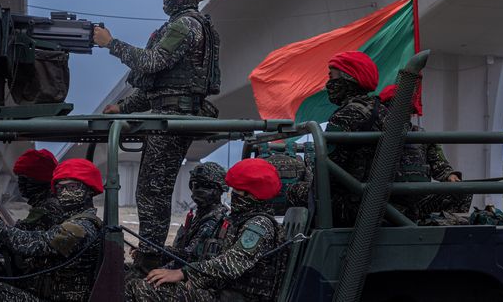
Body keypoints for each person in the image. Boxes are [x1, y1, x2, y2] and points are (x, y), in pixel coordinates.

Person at [93, 0, 221, 272]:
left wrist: (111, 43)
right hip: (169, 111)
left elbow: (152, 62)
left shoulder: (184, 25)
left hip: (173, 117)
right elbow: (161, 84)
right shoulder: (186, 24)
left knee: (152, 192)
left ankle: (149, 259)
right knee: (152, 190)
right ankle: (150, 255)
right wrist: (122, 108)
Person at [125, 158, 284, 302]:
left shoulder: (259, 225)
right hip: (219, 290)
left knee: (140, 289)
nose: (233, 195)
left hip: (234, 296)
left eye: (238, 191)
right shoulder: (238, 221)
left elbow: (232, 262)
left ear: (253, 195)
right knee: (136, 283)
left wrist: (184, 274)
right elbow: (203, 254)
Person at [0, 159, 104, 302]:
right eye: (59, 188)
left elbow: (24, 243)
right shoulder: (72, 221)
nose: (64, 192)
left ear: (89, 190)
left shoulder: (79, 228)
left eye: (72, 186)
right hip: (47, 294)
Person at [286, 51, 386, 224]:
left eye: (332, 77)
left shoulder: (346, 115)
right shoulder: (383, 111)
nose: (328, 84)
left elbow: (327, 176)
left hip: (353, 205)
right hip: (380, 202)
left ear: (348, 78)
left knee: (292, 191)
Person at [378, 84, 471, 221]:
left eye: (407, 108)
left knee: (462, 191)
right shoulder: (377, 135)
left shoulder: (421, 135)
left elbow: (439, 164)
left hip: (420, 200)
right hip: (388, 202)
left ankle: (446, 233)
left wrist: (450, 175)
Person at [166, 162, 228, 265]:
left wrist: (158, 251)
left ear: (219, 190)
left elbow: (188, 256)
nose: (199, 190)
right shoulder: (201, 216)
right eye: (196, 185)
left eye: (206, 186)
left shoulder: (215, 219)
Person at [13, 148, 63, 232]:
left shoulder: (49, 207)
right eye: (19, 178)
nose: (21, 183)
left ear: (40, 180)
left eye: (25, 178)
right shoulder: (46, 200)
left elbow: (22, 239)